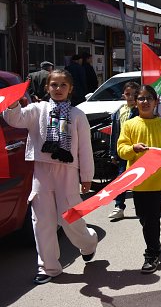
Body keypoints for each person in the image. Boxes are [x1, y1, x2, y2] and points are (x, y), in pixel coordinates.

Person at [2, 69, 98, 284]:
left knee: (69, 218)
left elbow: (85, 148)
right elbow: (15, 119)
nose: (58, 89)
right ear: (47, 88)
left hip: (68, 172)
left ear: (70, 89)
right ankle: (49, 267)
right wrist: (13, 103)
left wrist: (86, 176)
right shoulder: (37, 109)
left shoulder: (77, 115)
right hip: (42, 171)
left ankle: (89, 242)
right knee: (42, 221)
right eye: (54, 84)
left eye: (63, 85)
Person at [117, 85, 161, 274]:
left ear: (155, 102)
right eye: (141, 98)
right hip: (137, 181)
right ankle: (155, 243)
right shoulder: (129, 125)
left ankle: (151, 254)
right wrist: (132, 148)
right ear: (135, 102)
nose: (145, 102)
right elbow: (121, 150)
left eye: (149, 98)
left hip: (157, 181)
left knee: (152, 219)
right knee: (143, 217)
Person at [107, 81, 140, 220]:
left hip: (138, 151)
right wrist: (113, 152)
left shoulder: (141, 111)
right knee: (121, 178)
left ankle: (142, 205)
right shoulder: (119, 112)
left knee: (139, 180)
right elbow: (114, 133)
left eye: (134, 94)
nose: (130, 97)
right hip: (123, 150)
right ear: (123, 95)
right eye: (127, 94)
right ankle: (119, 206)